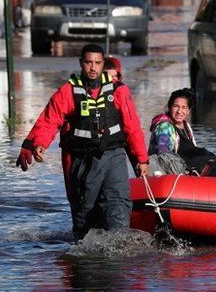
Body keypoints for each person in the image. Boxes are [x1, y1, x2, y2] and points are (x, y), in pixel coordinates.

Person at [15, 43, 149, 242]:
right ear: (81, 63)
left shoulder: (119, 91)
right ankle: (85, 255)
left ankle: (119, 251)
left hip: (114, 156)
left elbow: (132, 126)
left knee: (119, 203)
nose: (93, 68)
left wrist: (141, 159)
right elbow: (50, 120)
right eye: (88, 63)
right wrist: (39, 143)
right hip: (82, 161)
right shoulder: (68, 91)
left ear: (103, 64)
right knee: (85, 211)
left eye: (97, 63)